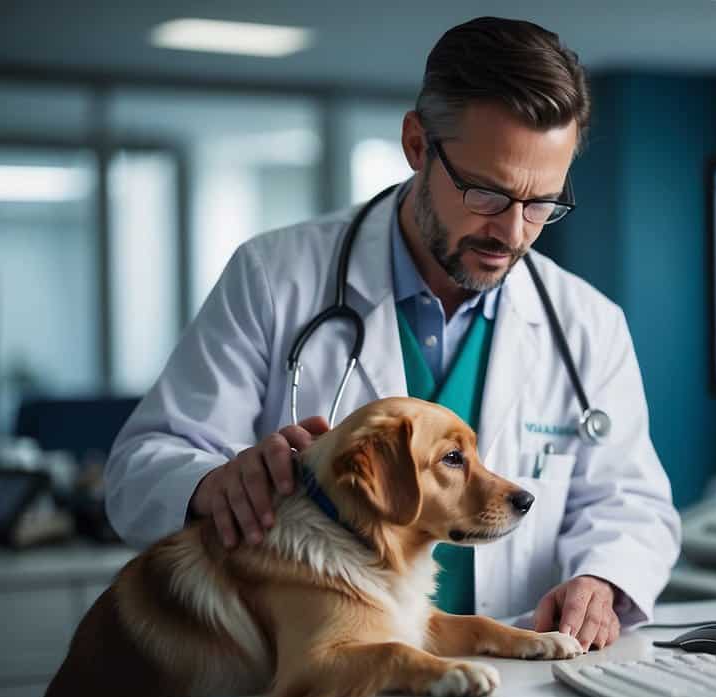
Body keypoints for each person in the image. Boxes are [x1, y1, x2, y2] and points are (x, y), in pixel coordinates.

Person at [105, 17, 679, 651]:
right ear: (416, 144)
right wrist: (210, 483)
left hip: (514, 672)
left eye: (542, 202)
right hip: (316, 680)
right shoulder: (275, 277)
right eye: (487, 193)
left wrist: (602, 578)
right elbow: (139, 469)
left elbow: (631, 502)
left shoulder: (587, 323)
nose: (514, 234)